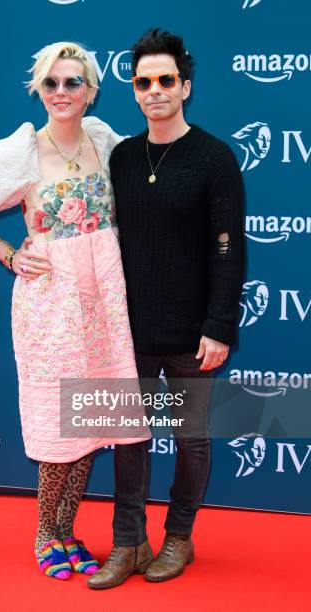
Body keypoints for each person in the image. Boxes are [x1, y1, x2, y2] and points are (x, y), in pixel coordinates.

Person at [0, 41, 149, 581]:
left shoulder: (103, 139)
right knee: (57, 426)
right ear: (38, 88)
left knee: (86, 421)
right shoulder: (22, 151)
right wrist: (7, 254)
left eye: (73, 83)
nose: (62, 92)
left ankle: (67, 530)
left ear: (91, 91)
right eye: (52, 83)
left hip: (101, 302)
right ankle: (45, 534)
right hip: (49, 305)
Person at [87, 28, 245, 589]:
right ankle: (129, 542)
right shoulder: (123, 158)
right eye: (143, 81)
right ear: (133, 91)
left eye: (165, 80)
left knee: (189, 439)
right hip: (128, 328)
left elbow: (229, 250)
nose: (154, 90)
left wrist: (219, 325)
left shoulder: (214, 158)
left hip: (190, 332)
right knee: (127, 436)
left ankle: (179, 536)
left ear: (186, 86)